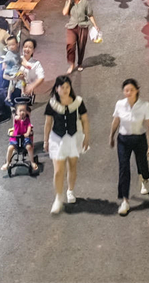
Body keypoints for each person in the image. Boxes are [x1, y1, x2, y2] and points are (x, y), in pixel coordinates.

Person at [44, 76, 90, 215]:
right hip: (57, 138)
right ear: (57, 89)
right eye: (62, 87)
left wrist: (86, 137)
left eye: (67, 87)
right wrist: (45, 141)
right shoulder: (52, 104)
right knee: (58, 170)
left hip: (74, 137)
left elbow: (85, 120)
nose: (65, 90)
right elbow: (48, 123)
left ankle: (70, 190)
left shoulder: (78, 102)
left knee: (72, 165)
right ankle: (58, 197)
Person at [109, 78, 149, 216]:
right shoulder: (120, 104)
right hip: (123, 139)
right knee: (124, 168)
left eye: (131, 90)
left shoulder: (145, 105)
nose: (128, 93)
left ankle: (144, 179)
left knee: (142, 162)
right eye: (126, 90)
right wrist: (111, 136)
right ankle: (125, 200)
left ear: (137, 90)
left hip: (139, 138)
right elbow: (116, 120)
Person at [62, 0, 100, 74]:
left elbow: (90, 15)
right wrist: (68, 1)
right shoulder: (69, 2)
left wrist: (95, 25)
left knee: (81, 46)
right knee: (70, 45)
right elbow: (64, 13)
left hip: (83, 26)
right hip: (72, 26)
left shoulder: (85, 3)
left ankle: (80, 63)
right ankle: (72, 64)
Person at [1, 101, 37, 172]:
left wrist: (27, 132)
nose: (22, 112)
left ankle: (32, 162)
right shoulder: (16, 119)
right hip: (16, 137)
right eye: (20, 111)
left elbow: (29, 126)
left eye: (24, 110)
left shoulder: (27, 119)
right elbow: (16, 119)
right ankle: (7, 162)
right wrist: (18, 117)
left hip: (25, 138)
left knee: (29, 147)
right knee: (10, 148)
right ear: (16, 112)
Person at [2, 35, 21, 104]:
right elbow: (5, 61)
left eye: (13, 44)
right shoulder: (9, 53)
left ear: (17, 44)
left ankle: (23, 94)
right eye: (9, 45)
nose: (11, 47)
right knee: (12, 82)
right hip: (12, 71)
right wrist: (4, 64)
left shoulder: (18, 52)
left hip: (17, 69)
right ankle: (8, 97)